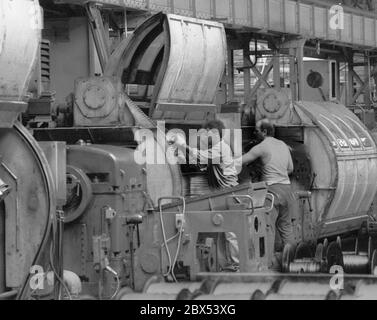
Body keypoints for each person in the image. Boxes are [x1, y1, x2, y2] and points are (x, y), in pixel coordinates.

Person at [171, 120, 240, 267]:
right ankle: (229, 264)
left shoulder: (221, 148)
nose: (204, 136)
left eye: (207, 133)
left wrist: (182, 144)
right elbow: (199, 163)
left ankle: (237, 265)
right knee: (224, 230)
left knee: (231, 233)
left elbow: (201, 157)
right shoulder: (215, 148)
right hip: (223, 194)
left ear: (215, 133)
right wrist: (180, 154)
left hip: (229, 194)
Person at [241, 119, 296, 253]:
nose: (255, 133)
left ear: (264, 132)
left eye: (257, 131)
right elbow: (290, 169)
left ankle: (268, 263)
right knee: (286, 227)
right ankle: (293, 260)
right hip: (287, 190)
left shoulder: (263, 146)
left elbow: (241, 161)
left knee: (267, 227)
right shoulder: (283, 145)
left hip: (272, 192)